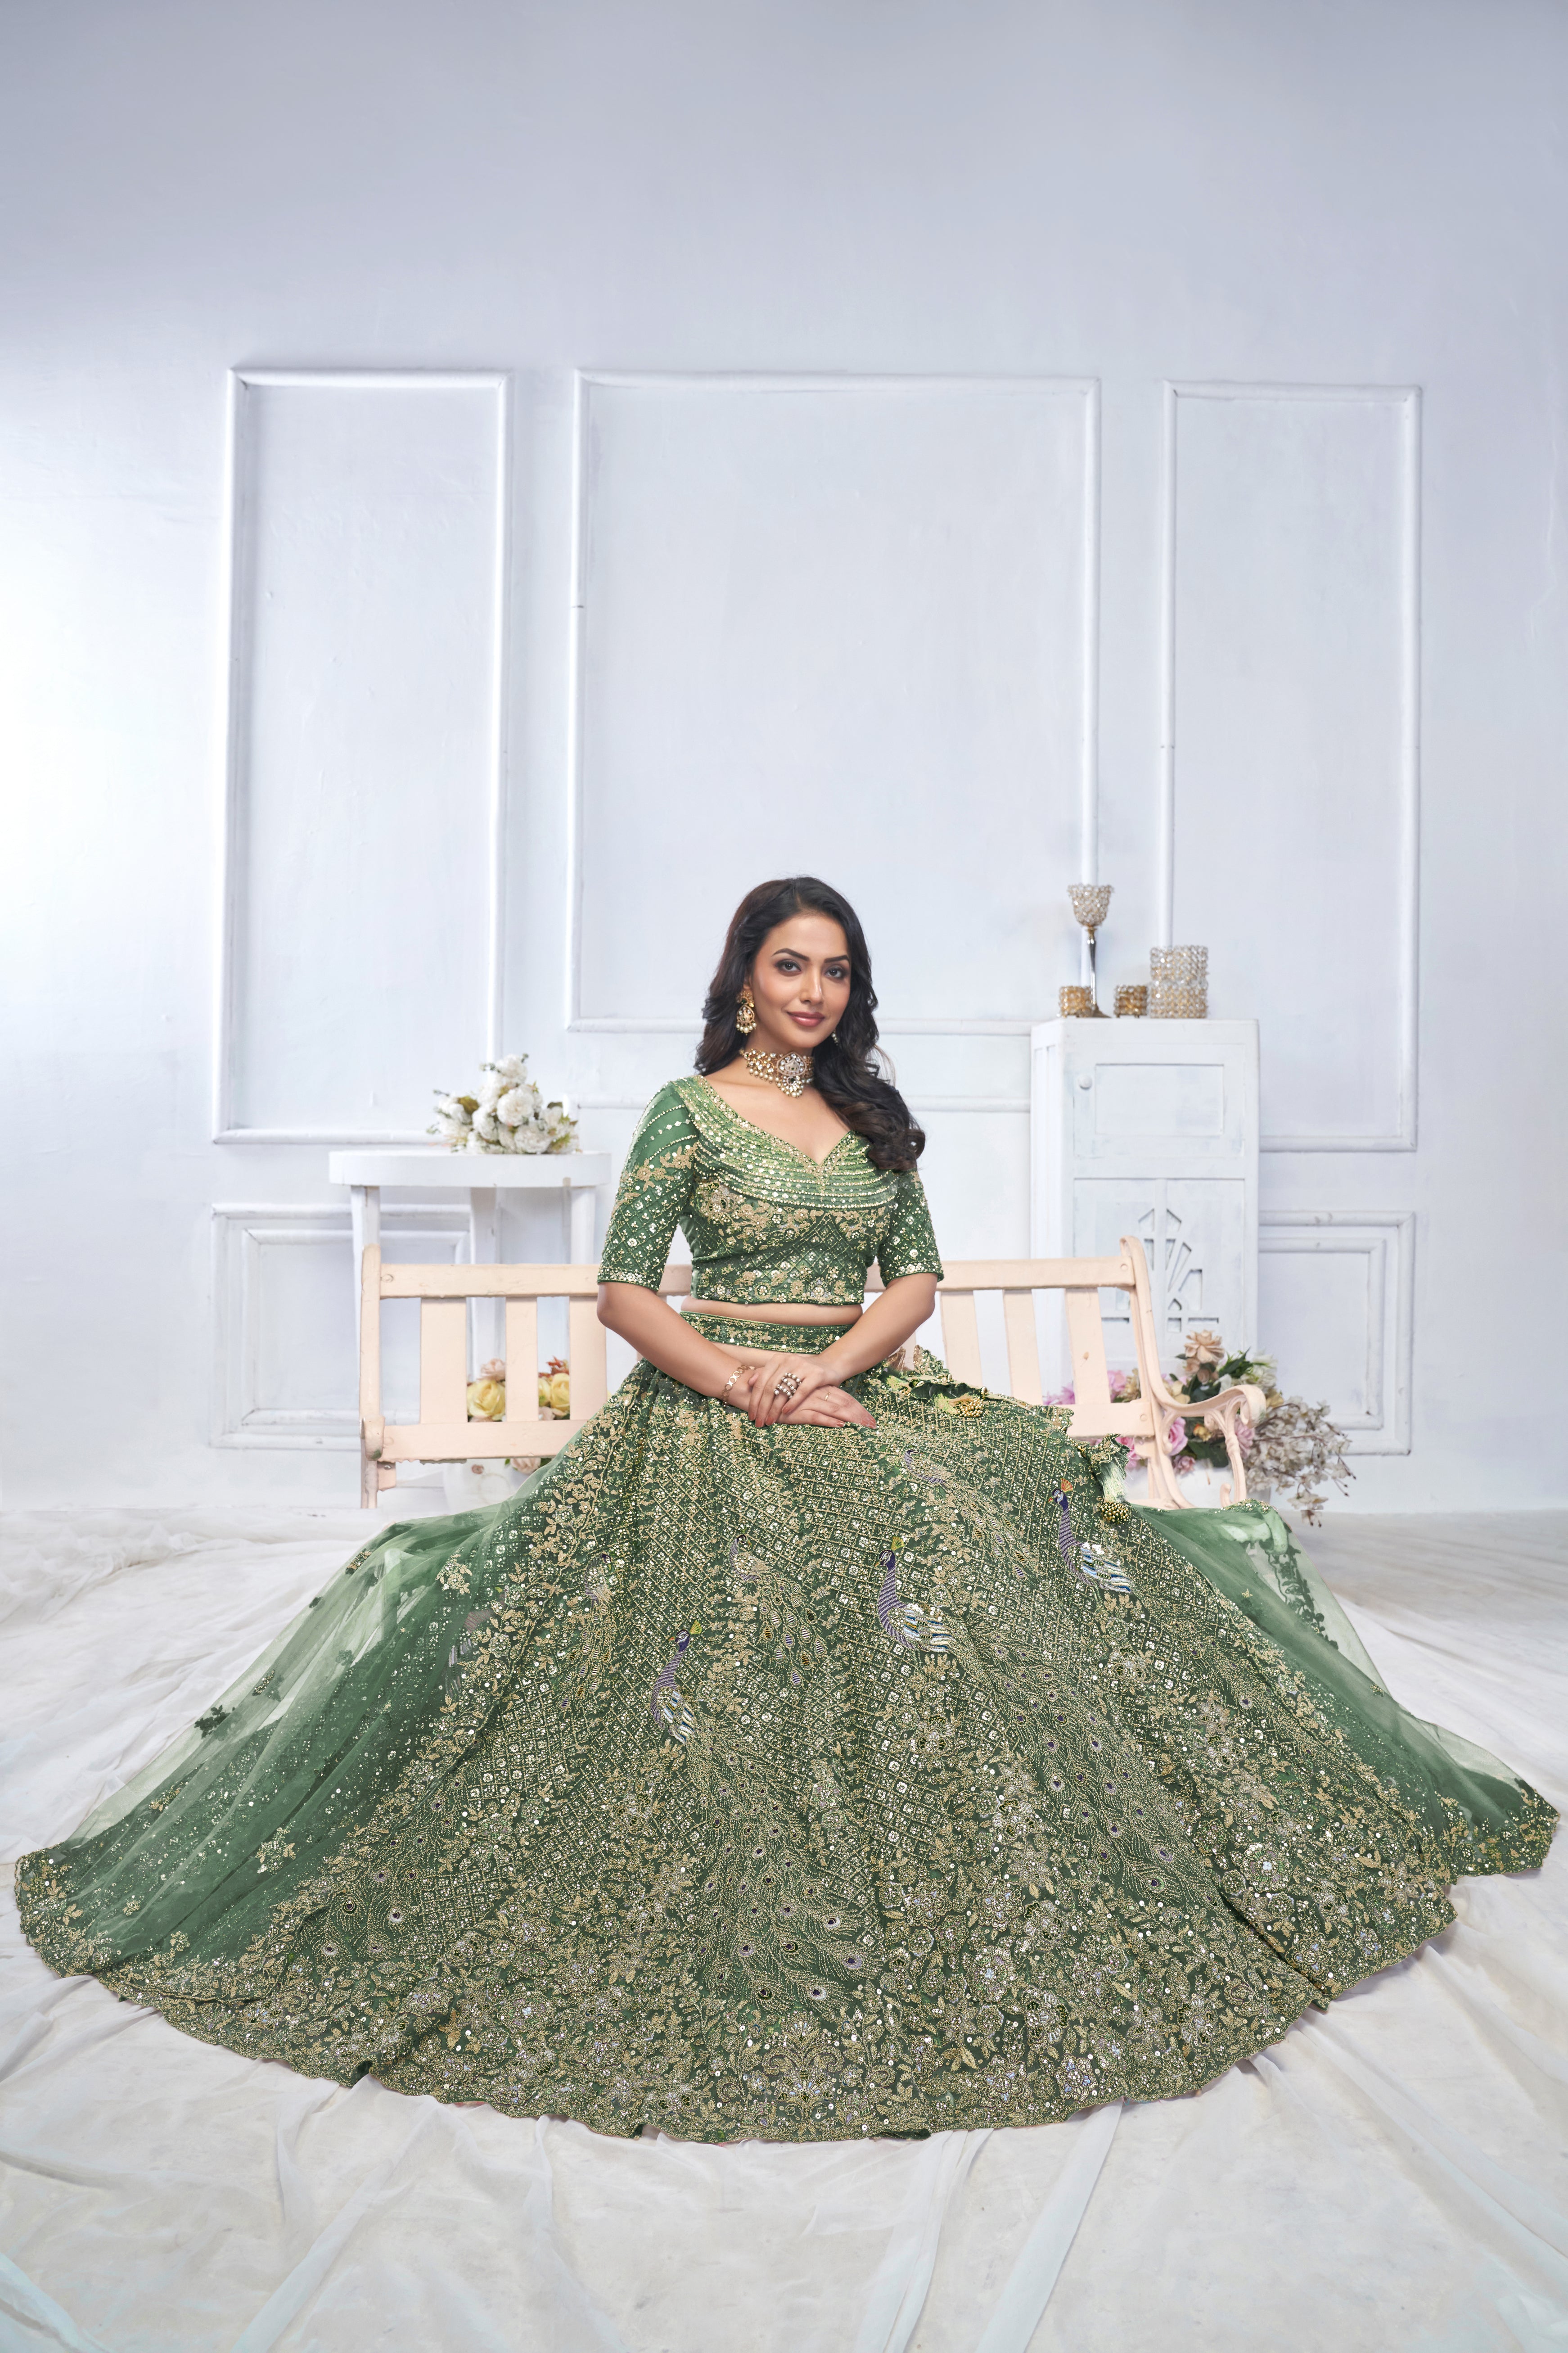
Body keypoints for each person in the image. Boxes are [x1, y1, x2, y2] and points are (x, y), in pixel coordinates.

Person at [16, 877, 1555, 2145]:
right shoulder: (688, 1114)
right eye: (789, 966)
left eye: (835, 970)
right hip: (712, 1404)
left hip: (855, 1383)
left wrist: (828, 1368)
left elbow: (916, 1280)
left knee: (1000, 1506)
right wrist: (753, 1383)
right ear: (744, 979)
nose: (814, 992)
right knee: (801, 1553)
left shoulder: (874, 1120)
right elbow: (626, 1294)